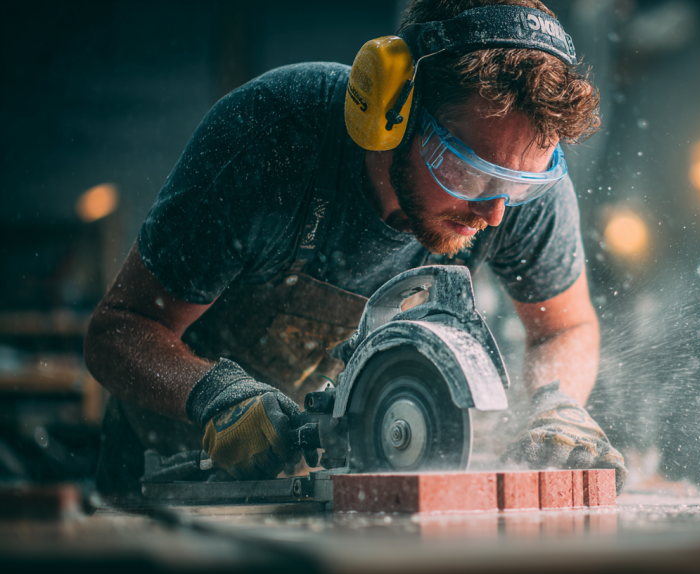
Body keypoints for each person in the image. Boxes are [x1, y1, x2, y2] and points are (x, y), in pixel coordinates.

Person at [84, 0, 625, 500]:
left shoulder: (513, 174)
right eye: (465, 170)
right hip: (172, 481)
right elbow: (118, 330)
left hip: (339, 493)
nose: (496, 212)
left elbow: (563, 327)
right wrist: (215, 396)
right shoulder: (274, 139)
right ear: (394, 109)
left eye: (520, 186)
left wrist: (560, 405)